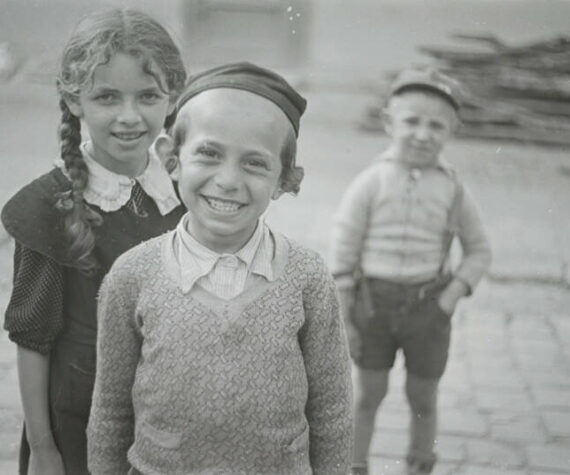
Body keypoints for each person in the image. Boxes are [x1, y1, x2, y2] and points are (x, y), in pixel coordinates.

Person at [87, 62, 353, 475]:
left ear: (285, 180)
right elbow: (110, 410)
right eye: (209, 154)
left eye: (255, 164)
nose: (227, 180)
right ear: (171, 159)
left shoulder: (307, 277)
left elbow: (332, 410)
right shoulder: (133, 275)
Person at [1, 9, 187, 474]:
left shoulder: (184, 193)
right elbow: (32, 339)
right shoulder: (51, 204)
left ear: (172, 96)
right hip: (77, 425)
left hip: (170, 420)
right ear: (75, 100)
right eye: (107, 96)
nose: (129, 117)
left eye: (147, 96)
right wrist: (44, 448)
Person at [329, 68, 492, 475]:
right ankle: (355, 465)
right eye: (412, 121)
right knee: (368, 394)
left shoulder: (453, 189)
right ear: (388, 123)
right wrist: (347, 314)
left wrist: (452, 295)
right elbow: (343, 252)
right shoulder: (370, 182)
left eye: (437, 125)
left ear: (453, 130)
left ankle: (419, 465)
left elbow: (479, 251)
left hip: (428, 307)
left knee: (423, 396)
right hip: (374, 305)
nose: (423, 134)